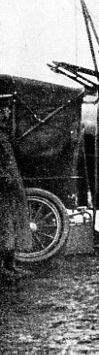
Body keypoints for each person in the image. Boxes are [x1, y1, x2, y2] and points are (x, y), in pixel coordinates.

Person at [0, 94, 32, 279]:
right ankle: (3, 269)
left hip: (11, 186)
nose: (7, 112)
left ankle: (10, 265)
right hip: (3, 186)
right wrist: (4, 177)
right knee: (4, 226)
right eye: (4, 109)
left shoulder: (4, 132)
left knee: (11, 225)